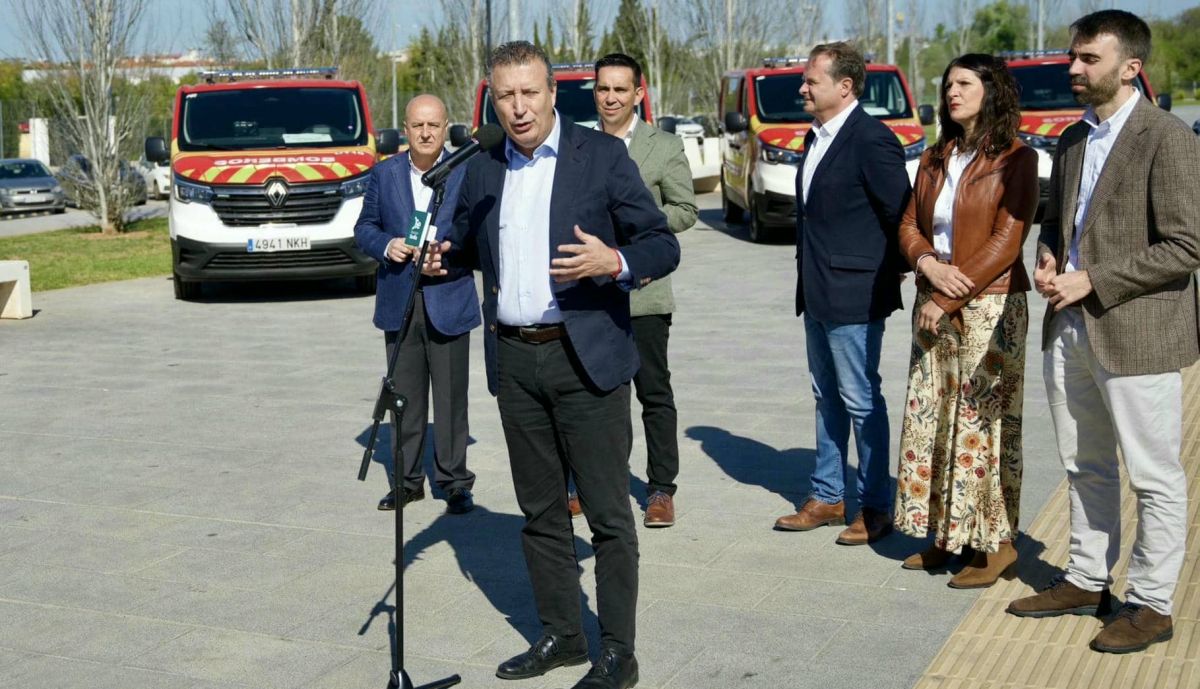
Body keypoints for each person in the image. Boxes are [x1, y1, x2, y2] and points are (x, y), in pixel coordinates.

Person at [425, 42, 679, 689]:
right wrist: (440, 260)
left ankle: (618, 651)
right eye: (505, 95)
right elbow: (461, 247)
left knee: (607, 515)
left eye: (529, 93)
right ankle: (563, 634)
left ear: (552, 91)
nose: (517, 108)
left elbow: (661, 241)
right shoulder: (481, 166)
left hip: (583, 355)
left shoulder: (601, 157)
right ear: (492, 98)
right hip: (515, 360)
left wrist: (613, 263)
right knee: (540, 509)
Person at [1005, 10, 1200, 654]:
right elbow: (1059, 220)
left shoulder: (1165, 137)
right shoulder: (1071, 138)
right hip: (1069, 329)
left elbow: (1186, 244)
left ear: (1131, 67)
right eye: (1074, 56)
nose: (1074, 68)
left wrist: (1096, 280)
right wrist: (1049, 255)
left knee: (1153, 475)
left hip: (1138, 332)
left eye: (1089, 59)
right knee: (1083, 464)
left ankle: (1150, 602)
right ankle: (1088, 578)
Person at [891, 54, 1038, 588]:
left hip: (991, 304)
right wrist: (927, 263)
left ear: (992, 90)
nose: (953, 92)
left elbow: (1008, 240)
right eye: (948, 83)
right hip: (935, 297)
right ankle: (944, 534)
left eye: (965, 83)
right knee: (933, 419)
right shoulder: (935, 157)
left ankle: (995, 544)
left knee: (983, 425)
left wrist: (949, 294)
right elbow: (909, 222)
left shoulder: (1018, 158)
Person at [773, 42, 911, 545]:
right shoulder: (817, 137)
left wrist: (896, 270)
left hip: (855, 292)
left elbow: (901, 212)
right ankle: (828, 496)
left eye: (811, 81)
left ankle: (875, 506)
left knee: (859, 398)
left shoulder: (870, 139)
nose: (802, 88)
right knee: (824, 395)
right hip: (817, 290)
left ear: (845, 86)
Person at [352, 94, 478, 514]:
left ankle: (455, 481)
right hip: (400, 297)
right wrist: (387, 245)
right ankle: (407, 481)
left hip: (449, 295)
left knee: (451, 399)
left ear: (446, 129)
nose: (426, 133)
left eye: (434, 125)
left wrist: (451, 249)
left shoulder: (465, 170)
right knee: (403, 398)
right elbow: (363, 227)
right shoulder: (384, 174)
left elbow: (478, 229)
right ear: (405, 129)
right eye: (418, 125)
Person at [588, 52, 697, 528]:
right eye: (603, 88)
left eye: (620, 89)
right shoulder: (579, 145)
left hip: (645, 292)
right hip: (591, 293)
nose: (610, 97)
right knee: (595, 397)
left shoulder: (663, 146)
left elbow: (686, 210)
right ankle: (592, 484)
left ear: (639, 93)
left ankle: (660, 489)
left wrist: (639, 228)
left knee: (653, 392)